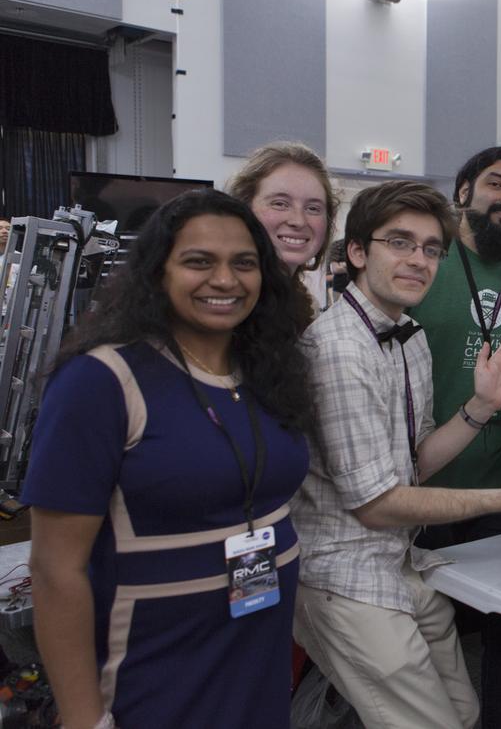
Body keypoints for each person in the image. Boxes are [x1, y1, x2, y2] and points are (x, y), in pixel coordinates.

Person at [291, 180, 501, 729]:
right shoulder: (338, 351)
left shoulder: (409, 335)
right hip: (344, 574)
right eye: (399, 242)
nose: (419, 260)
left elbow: (416, 465)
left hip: (398, 559)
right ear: (356, 252)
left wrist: (482, 405)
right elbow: (377, 505)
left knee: (466, 711)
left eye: (431, 249)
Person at [24, 189, 314, 728]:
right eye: (198, 262)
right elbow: (55, 569)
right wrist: (86, 720)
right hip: (155, 672)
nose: (225, 280)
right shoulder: (100, 381)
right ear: (157, 271)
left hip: (259, 659)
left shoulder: (270, 371)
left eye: (244, 263)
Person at [406, 146, 501, 728]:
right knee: (426, 635)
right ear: (464, 191)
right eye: (496, 184)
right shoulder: (428, 263)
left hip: (499, 485)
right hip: (420, 485)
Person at [226, 141, 340, 318]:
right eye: (280, 204)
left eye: (313, 208)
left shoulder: (304, 305)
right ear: (243, 208)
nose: (298, 221)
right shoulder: (225, 301)